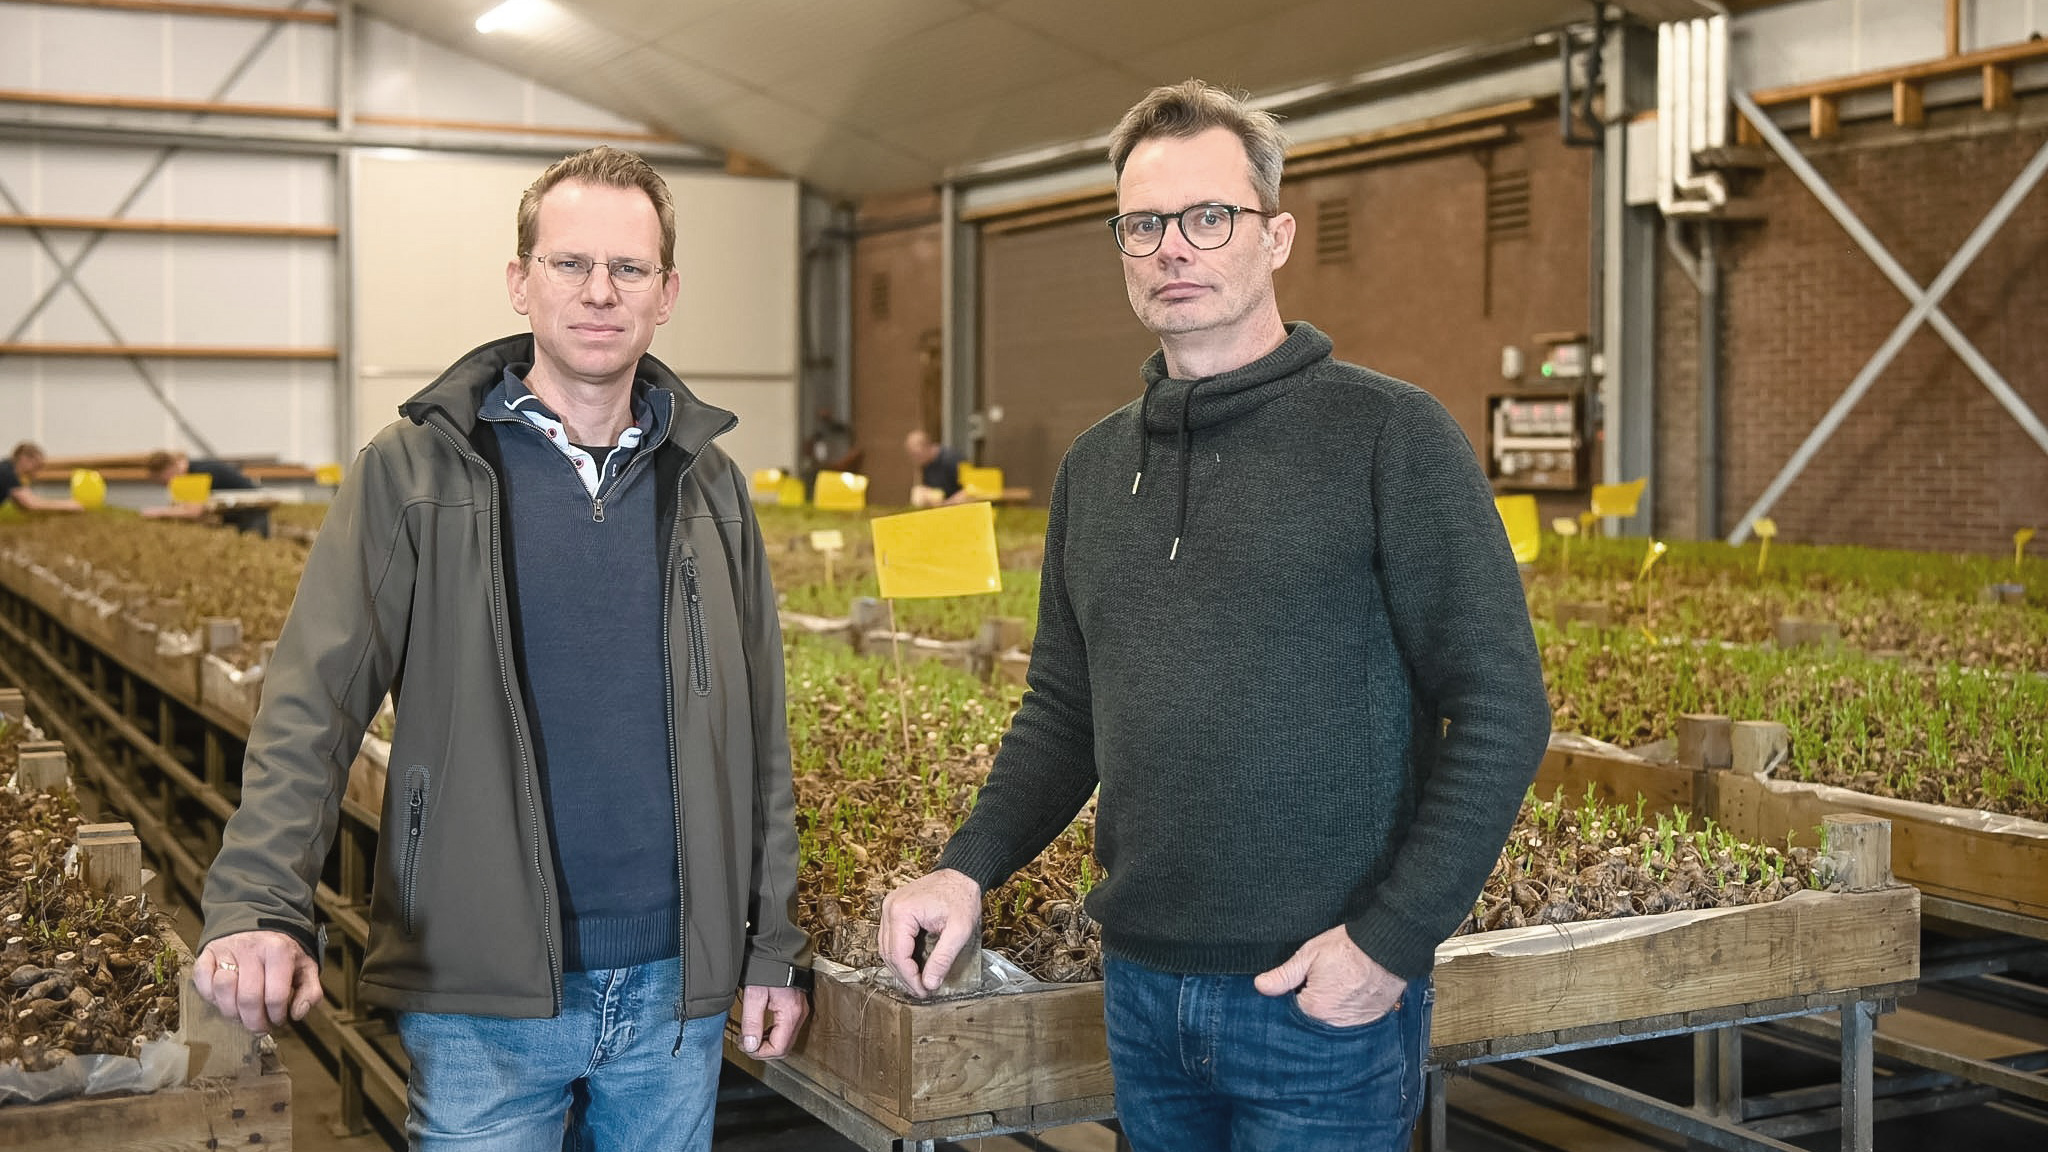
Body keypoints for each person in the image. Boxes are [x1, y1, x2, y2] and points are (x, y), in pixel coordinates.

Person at [878, 81, 1550, 1152]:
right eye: (1142, 225)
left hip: (1313, 1002)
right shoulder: (1095, 470)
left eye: (1207, 218)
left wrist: (1388, 942)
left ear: (1274, 234)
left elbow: (1501, 706)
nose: (1172, 249)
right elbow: (1063, 712)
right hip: (1142, 989)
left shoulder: (1389, 437)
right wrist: (966, 866)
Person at [194, 145, 811, 1151]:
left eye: (629, 269)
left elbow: (761, 738)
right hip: (480, 986)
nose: (599, 292)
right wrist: (258, 903)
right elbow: (315, 701)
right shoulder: (415, 469)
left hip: (673, 990)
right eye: (569, 264)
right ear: (520, 279)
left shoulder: (710, 485)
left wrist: (769, 945)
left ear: (668, 293)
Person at [140, 450, 270, 535]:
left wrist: (158, 513)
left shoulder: (198, 473)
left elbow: (194, 512)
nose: (166, 485)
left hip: (251, 514)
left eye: (162, 481)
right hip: (235, 514)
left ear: (167, 471)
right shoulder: (191, 472)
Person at [0, 442, 84, 513]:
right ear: (24, 459)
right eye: (37, 466)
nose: (37, 472)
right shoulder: (7, 473)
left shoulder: (6, 467)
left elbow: (22, 505)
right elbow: (31, 504)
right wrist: (67, 505)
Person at [903, 428, 967, 507]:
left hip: (961, 502)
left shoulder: (951, 459)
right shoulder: (925, 464)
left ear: (926, 446)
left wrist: (948, 503)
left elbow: (969, 488)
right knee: (918, 493)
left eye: (916, 454)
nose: (914, 459)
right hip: (944, 501)